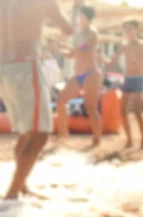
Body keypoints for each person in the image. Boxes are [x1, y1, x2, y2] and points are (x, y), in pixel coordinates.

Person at [0, 0, 73, 200]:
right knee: (40, 134)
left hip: (3, 69)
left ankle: (21, 186)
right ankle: (12, 193)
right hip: (26, 66)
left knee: (26, 132)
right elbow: (67, 29)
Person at [52, 5, 102, 146]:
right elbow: (73, 54)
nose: (79, 18)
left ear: (87, 17)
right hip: (79, 74)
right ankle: (63, 134)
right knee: (61, 101)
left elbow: (85, 50)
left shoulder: (93, 33)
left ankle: (97, 138)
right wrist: (59, 50)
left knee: (90, 107)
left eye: (81, 15)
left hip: (91, 74)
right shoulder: (79, 34)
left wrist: (67, 47)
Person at [105, 19, 143, 149]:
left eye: (130, 29)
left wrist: (140, 62)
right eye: (126, 29)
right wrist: (100, 59)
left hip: (139, 79)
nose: (128, 32)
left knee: (138, 112)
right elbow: (112, 62)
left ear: (136, 30)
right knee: (123, 112)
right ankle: (130, 140)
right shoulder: (124, 46)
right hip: (128, 79)